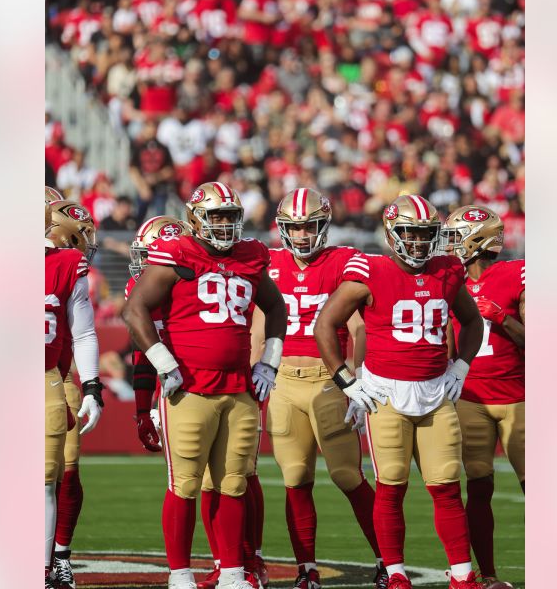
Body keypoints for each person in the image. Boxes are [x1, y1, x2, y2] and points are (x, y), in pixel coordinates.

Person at [313, 194, 487, 589]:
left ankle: (462, 575)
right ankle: (394, 573)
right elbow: (325, 324)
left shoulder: (447, 269)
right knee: (391, 485)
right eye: (410, 232)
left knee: (445, 486)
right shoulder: (370, 270)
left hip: (436, 391)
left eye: (427, 233)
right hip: (385, 394)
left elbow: (472, 322)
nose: (419, 242)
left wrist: (461, 366)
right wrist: (346, 380)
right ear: (392, 234)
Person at [123, 181, 288, 589]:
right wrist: (163, 363)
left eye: (231, 216)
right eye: (216, 216)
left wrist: (269, 361)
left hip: (239, 390)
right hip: (189, 389)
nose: (225, 224)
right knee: (185, 486)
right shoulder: (177, 253)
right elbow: (135, 310)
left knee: (234, 483)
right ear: (196, 219)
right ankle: (180, 575)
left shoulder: (251, 256)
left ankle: (234, 571)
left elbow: (277, 306)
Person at [260, 188, 387, 589]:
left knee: (348, 475)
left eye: (308, 226)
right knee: (296, 476)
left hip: (328, 380)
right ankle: (306, 569)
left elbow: (358, 326)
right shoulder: (268, 261)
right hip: (281, 380)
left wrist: (354, 376)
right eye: (294, 227)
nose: (300, 235)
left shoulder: (344, 261)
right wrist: (254, 371)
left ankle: (388, 561)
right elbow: (257, 327)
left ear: (323, 225)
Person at [441, 206, 523, 589]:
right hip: (471, 397)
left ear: (478, 240)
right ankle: (488, 575)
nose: (451, 244)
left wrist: (503, 318)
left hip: (519, 397)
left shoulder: (514, 274)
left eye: (457, 236)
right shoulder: (450, 279)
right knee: (478, 485)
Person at [45, 200, 105, 588]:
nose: (88, 243)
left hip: (57, 372)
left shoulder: (65, 266)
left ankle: (59, 555)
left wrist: (91, 385)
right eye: (83, 235)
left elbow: (82, 331)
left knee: (63, 469)